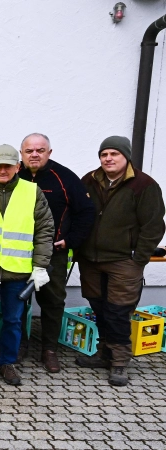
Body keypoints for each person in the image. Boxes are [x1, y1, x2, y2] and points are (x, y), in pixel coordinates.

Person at [75, 136, 165, 386]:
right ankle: (104, 353)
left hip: (124, 260)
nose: (108, 158)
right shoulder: (89, 180)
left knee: (117, 311)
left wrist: (140, 257)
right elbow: (79, 212)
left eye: (114, 154)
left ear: (126, 157)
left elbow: (154, 225)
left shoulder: (144, 185)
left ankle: (120, 363)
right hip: (91, 259)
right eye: (104, 154)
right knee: (98, 306)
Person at [0, 144, 54, 386]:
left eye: (8, 165)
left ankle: (8, 362)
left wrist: (40, 265)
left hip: (18, 271)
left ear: (18, 166)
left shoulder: (32, 191)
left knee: (13, 320)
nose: (3, 170)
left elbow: (45, 230)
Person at [18, 133, 95, 372]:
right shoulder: (12, 174)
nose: (34, 154)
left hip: (54, 254)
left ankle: (49, 349)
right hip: (18, 252)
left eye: (40, 150)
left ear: (49, 153)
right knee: (17, 300)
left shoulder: (64, 177)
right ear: (21, 153)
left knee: (52, 301)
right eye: (29, 150)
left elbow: (86, 212)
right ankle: (19, 345)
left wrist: (71, 241)